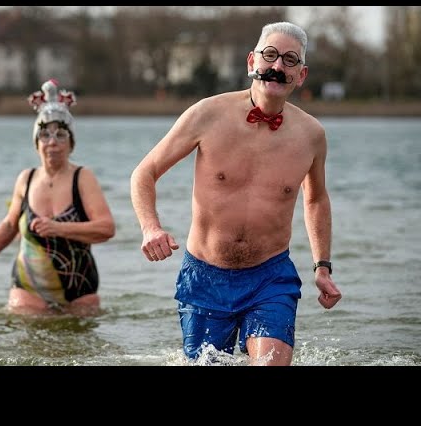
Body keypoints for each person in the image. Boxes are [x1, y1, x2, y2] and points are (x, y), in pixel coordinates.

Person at [130, 21, 342, 365]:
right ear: (251, 63)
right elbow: (145, 172)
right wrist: (150, 227)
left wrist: (322, 267)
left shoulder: (311, 135)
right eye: (270, 55)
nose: (277, 67)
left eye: (289, 61)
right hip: (204, 275)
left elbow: (315, 199)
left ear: (301, 76)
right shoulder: (207, 114)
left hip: (270, 276)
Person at [0, 79, 116, 316]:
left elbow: (106, 228)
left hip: (79, 287)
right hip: (28, 286)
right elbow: (10, 226)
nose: (52, 142)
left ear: (71, 144)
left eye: (61, 135)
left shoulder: (83, 178)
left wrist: (58, 229)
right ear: (36, 143)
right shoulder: (26, 179)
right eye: (44, 135)